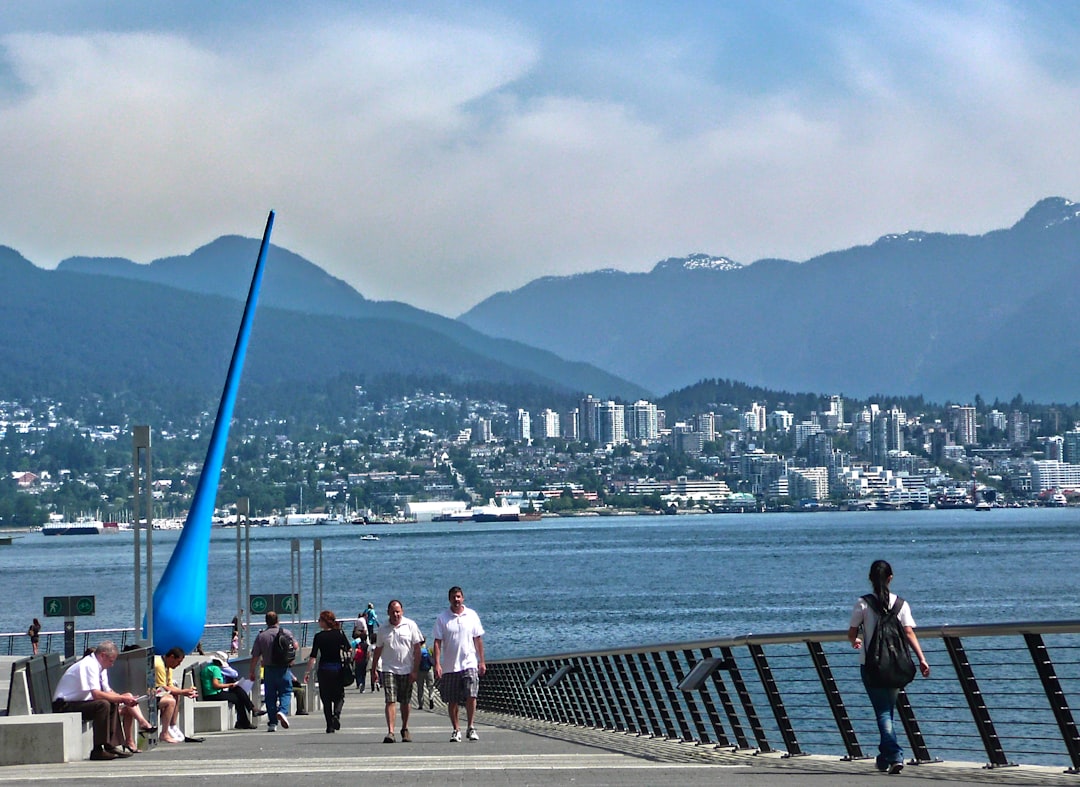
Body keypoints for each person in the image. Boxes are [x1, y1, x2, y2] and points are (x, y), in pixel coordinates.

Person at [848, 559, 931, 775]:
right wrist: (922, 659)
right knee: (888, 711)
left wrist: (856, 641)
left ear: (870, 579)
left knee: (883, 712)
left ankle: (894, 755)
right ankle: (884, 757)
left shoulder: (863, 603)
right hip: (895, 666)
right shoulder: (901, 604)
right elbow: (909, 632)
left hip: (871, 666)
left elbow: (851, 633)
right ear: (890, 578)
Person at [51, 640, 154, 760]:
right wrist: (121, 698)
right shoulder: (89, 665)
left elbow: (107, 691)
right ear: (103, 655)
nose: (112, 665)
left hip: (80, 702)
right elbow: (96, 694)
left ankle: (110, 744)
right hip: (64, 705)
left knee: (111, 702)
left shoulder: (101, 667)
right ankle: (98, 749)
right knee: (103, 705)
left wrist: (125, 698)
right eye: (111, 661)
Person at [433, 586, 485, 742]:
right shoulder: (443, 618)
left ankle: (471, 726)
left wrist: (481, 661)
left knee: (471, 694)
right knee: (453, 699)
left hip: (469, 662)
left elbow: (478, 639)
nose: (456, 599)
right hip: (450, 666)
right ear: (449, 599)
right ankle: (456, 729)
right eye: (453, 597)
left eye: (458, 596)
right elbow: (437, 642)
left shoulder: (472, 615)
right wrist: (437, 664)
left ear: (463, 598)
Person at [370, 599, 423, 743]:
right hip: (389, 669)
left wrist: (415, 670)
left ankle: (405, 728)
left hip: (407, 668)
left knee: (405, 701)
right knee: (390, 700)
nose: (396, 614)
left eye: (398, 611)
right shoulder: (383, 629)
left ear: (402, 611)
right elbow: (378, 650)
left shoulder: (410, 625)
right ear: (388, 612)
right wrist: (373, 669)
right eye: (393, 611)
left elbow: (417, 649)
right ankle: (391, 731)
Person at [303, 609, 353, 733]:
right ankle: (336, 714)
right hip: (337, 669)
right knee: (339, 696)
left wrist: (307, 672)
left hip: (324, 670)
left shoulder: (319, 637)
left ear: (325, 622)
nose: (318, 622)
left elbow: (313, 657)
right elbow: (350, 650)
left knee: (325, 698)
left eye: (320, 620)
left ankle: (329, 726)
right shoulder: (339, 634)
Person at [249, 611, 299, 732]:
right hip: (284, 668)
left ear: (266, 622)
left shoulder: (262, 636)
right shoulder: (286, 633)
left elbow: (255, 655)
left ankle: (272, 723)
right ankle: (282, 711)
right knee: (286, 692)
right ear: (278, 620)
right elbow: (296, 646)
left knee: (270, 696)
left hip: (269, 669)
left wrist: (252, 671)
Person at [203, 651, 259, 729]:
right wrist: (230, 685)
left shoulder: (209, 667)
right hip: (213, 694)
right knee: (237, 698)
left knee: (237, 692)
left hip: (209, 693)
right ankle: (246, 718)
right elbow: (216, 685)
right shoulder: (216, 669)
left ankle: (247, 716)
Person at [155, 646, 197, 743]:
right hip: (150, 695)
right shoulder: (159, 665)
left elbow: (170, 686)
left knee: (176, 694)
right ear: (172, 657)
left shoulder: (168, 667)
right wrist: (183, 692)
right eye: (178, 662)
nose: (178, 665)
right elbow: (163, 688)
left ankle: (172, 725)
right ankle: (164, 733)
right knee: (170, 701)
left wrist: (186, 691)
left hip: (158, 693)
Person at [416, 638, 435, 710]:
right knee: (430, 686)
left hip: (419, 671)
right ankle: (431, 698)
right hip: (429, 670)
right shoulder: (429, 649)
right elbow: (433, 659)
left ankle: (421, 704)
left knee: (420, 688)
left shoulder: (417, 650)